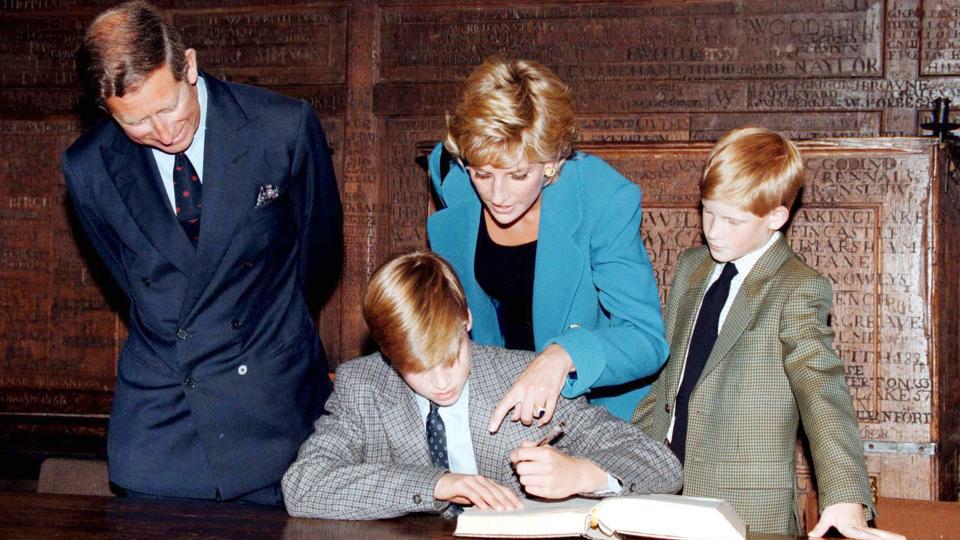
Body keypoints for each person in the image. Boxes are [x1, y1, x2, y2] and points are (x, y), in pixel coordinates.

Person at [61, 1, 342, 504]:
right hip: (163, 418)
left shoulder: (281, 127)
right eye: (137, 124)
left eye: (167, 107)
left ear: (188, 65)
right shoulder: (89, 167)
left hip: (269, 404)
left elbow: (317, 256)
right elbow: (128, 276)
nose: (164, 133)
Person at [633, 127, 904, 540]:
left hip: (747, 511)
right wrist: (625, 458)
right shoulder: (692, 266)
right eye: (707, 211)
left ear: (776, 217)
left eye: (732, 220)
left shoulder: (796, 286)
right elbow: (666, 379)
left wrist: (845, 496)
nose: (714, 231)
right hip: (658, 489)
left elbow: (821, 390)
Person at [282, 251, 681, 519]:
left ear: (467, 319)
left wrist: (583, 475)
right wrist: (437, 483)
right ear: (388, 354)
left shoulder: (525, 379)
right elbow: (303, 485)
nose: (441, 382)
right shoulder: (362, 386)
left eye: (451, 357)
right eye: (416, 369)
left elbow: (662, 466)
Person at [427, 57, 667, 429]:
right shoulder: (455, 180)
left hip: (595, 409)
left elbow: (646, 339)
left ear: (552, 161)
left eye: (519, 175)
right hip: (496, 401)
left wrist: (564, 355)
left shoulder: (602, 200)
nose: (498, 195)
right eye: (483, 174)